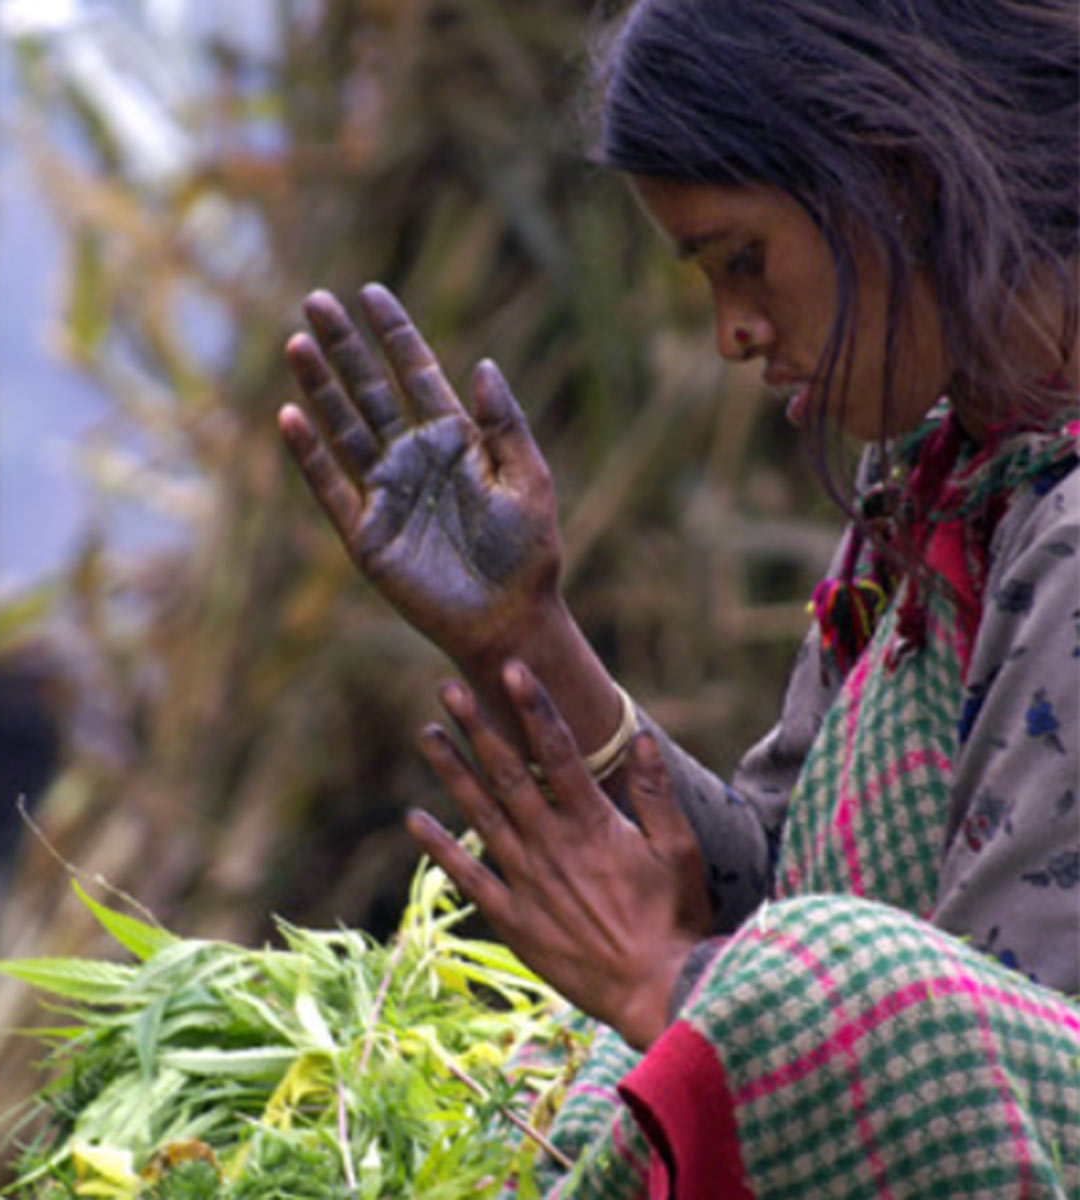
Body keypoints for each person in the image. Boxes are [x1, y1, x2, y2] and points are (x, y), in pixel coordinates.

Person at [278, 0, 1080, 1195]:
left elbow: (969, 1043)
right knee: (561, 1073)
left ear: (898, 178)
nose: (732, 333)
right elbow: (772, 892)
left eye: (743, 259)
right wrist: (527, 635)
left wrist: (668, 988)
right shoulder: (939, 490)